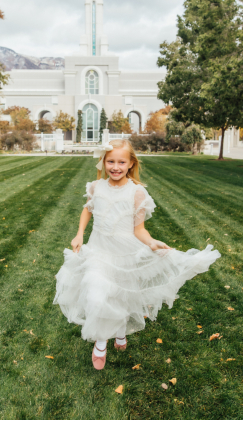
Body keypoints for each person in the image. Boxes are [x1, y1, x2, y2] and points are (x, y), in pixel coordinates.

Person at [54, 138, 219, 371]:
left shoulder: (137, 193)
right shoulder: (95, 187)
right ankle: (101, 343)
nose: (115, 167)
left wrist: (151, 243)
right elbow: (87, 210)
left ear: (131, 164)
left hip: (125, 254)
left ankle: (120, 332)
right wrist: (79, 233)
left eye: (121, 162)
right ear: (103, 161)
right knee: (98, 294)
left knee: (120, 296)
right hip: (98, 251)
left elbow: (138, 229)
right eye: (110, 161)